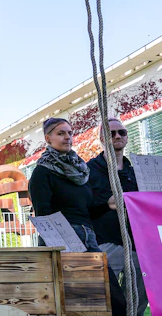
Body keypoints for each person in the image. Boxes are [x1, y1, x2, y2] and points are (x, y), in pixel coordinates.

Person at [29, 117, 126, 316]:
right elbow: (43, 216)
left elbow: (87, 210)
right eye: (61, 133)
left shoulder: (79, 171)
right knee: (77, 303)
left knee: (114, 299)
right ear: (48, 139)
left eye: (69, 133)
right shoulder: (42, 173)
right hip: (63, 242)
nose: (67, 137)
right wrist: (63, 247)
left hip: (88, 239)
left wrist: (108, 205)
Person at [88, 117, 148, 316]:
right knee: (107, 298)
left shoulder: (137, 171)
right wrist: (106, 204)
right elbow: (84, 206)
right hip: (107, 243)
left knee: (139, 296)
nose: (117, 136)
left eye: (121, 132)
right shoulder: (89, 171)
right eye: (111, 133)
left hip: (137, 245)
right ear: (101, 139)